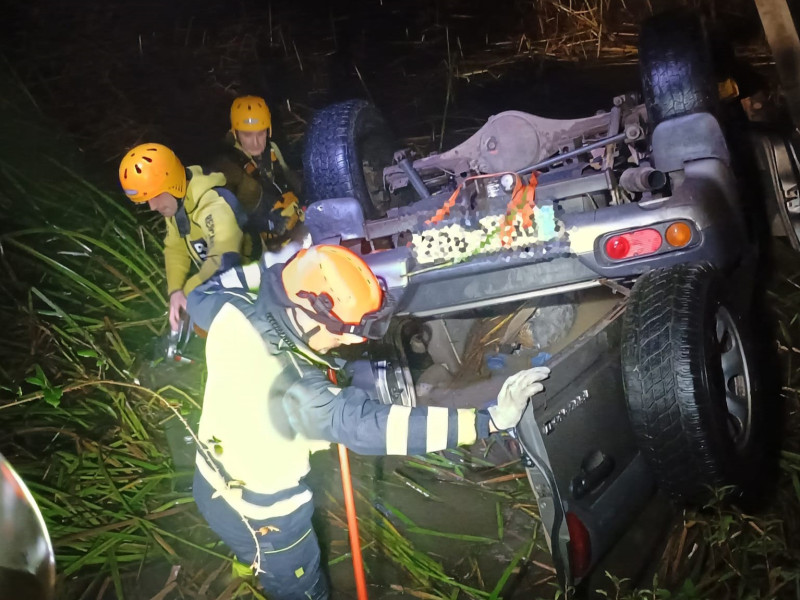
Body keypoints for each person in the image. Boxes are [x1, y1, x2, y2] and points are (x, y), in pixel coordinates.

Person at [187, 244, 551, 600]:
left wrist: (290, 259)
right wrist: (486, 421)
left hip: (208, 483)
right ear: (313, 316)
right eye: (347, 328)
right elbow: (373, 428)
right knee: (301, 590)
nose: (355, 337)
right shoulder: (299, 391)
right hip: (269, 519)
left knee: (245, 549)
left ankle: (248, 569)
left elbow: (198, 293)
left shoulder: (228, 310)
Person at [119, 143, 247, 331]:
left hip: (253, 283)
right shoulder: (176, 206)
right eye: (147, 200)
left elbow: (223, 255)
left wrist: (188, 292)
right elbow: (175, 248)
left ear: (173, 183)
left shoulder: (213, 203)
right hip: (220, 286)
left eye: (155, 196)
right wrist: (175, 291)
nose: (152, 207)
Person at [211, 95, 305, 253]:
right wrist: (266, 223)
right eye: (247, 135)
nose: (256, 142)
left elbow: (289, 176)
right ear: (235, 133)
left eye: (260, 133)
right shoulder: (225, 168)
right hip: (264, 248)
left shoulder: (272, 148)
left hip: (295, 228)